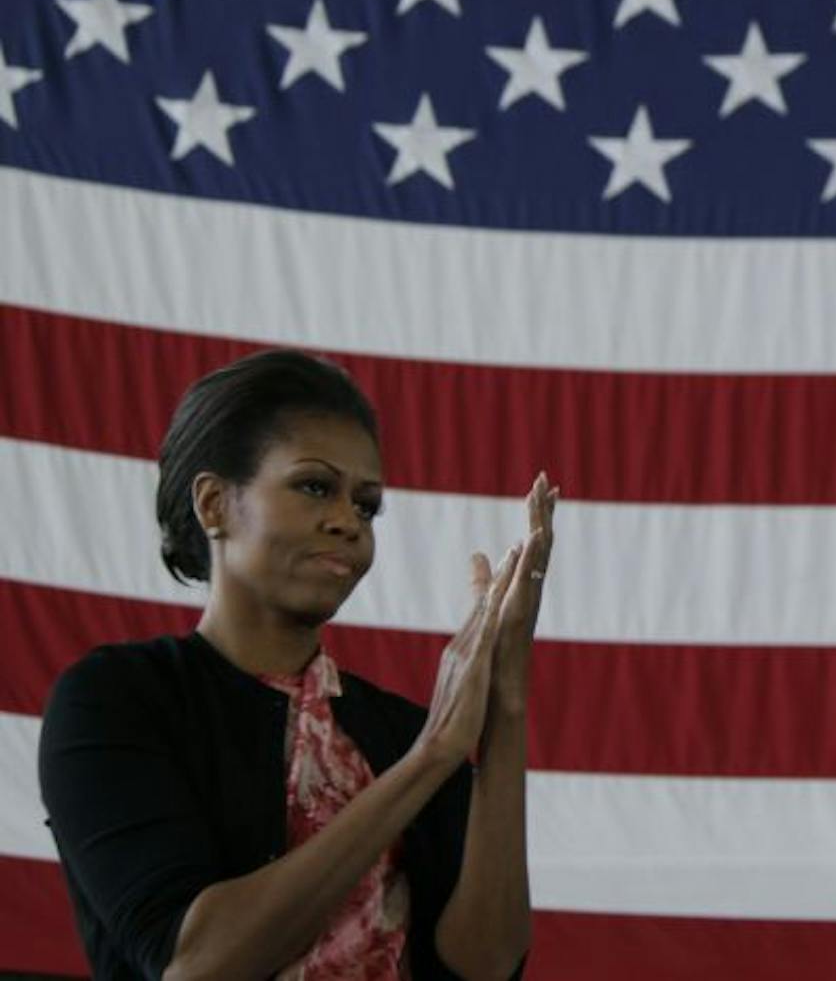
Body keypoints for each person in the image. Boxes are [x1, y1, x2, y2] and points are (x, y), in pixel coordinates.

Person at [38, 349, 558, 980]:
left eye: (366, 506)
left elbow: (486, 966)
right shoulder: (115, 698)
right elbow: (196, 963)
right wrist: (429, 759)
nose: (347, 522)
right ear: (214, 505)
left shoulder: (400, 730)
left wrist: (504, 704)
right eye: (314, 486)